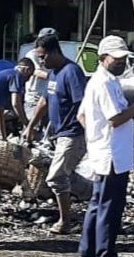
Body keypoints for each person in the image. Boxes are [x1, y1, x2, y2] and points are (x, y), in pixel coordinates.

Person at [76, 35, 134, 257]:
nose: (121, 62)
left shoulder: (102, 81)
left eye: (123, 59)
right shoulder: (104, 83)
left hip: (105, 151)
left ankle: (88, 252)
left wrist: (94, 136)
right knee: (110, 207)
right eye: (116, 58)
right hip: (112, 154)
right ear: (103, 57)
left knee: (98, 203)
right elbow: (115, 119)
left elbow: (83, 116)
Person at [23, 34, 87, 234]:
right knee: (66, 176)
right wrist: (31, 126)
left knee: (56, 178)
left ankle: (65, 222)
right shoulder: (53, 73)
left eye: (43, 57)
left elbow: (82, 104)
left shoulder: (71, 72)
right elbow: (45, 101)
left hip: (73, 133)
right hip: (58, 134)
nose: (41, 62)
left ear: (55, 52)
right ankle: (98, 191)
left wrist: (88, 133)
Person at [24, 27, 57, 122]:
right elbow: (36, 72)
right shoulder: (32, 54)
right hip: (35, 98)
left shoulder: (54, 54)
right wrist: (55, 77)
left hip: (49, 97)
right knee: (34, 127)